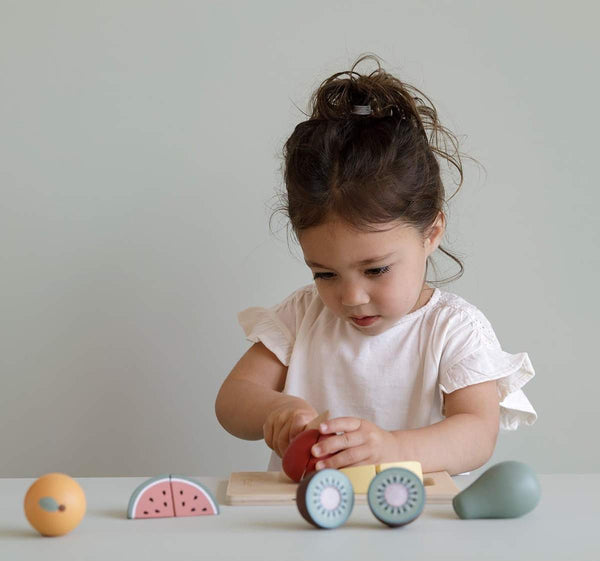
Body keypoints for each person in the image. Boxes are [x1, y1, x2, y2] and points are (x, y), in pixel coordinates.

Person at [215, 53, 536, 476]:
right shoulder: (301, 317)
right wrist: (275, 408)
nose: (350, 297)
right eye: (324, 273)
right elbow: (232, 399)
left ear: (431, 233)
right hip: (302, 525)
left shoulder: (453, 329)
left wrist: (391, 448)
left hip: (407, 527)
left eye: (376, 270)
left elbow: (477, 434)